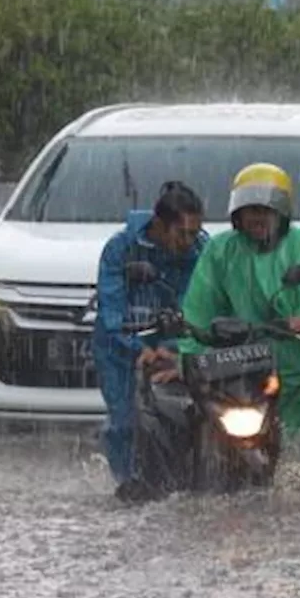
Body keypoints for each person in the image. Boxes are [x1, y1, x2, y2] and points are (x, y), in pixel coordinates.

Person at [166, 162, 300, 496]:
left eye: (265, 210)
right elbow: (199, 308)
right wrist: (188, 358)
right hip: (251, 366)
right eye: (250, 212)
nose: (257, 219)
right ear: (237, 215)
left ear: (281, 212)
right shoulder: (221, 252)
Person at [91, 181, 206, 502]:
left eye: (194, 234)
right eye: (181, 234)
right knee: (125, 422)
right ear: (158, 224)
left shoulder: (201, 251)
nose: (188, 242)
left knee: (194, 416)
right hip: (120, 349)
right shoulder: (120, 248)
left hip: (178, 346)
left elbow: (202, 304)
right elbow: (110, 313)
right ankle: (128, 487)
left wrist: (175, 348)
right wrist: (137, 348)